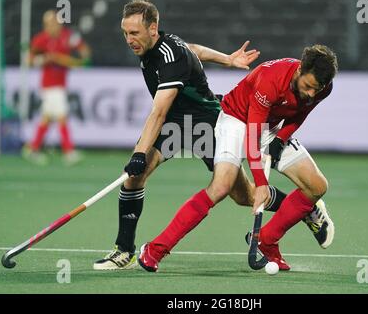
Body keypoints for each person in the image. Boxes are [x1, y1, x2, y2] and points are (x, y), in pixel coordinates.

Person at [138, 45, 338, 272]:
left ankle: (267, 241)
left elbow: (301, 113)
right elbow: (252, 134)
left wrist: (280, 139)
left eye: (317, 89)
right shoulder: (270, 79)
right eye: (308, 86)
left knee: (317, 186)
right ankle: (155, 249)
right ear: (300, 69)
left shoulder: (323, 87)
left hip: (270, 128)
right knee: (221, 187)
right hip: (237, 120)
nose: (312, 93)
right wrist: (261, 184)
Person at [22, 10, 91, 166]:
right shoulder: (41, 39)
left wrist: (80, 57)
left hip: (60, 83)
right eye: (52, 23)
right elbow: (29, 60)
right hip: (49, 85)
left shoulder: (67, 36)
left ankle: (32, 148)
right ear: (46, 25)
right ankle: (69, 151)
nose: (55, 25)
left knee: (47, 118)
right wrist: (45, 59)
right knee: (61, 116)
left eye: (57, 22)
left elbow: (84, 50)